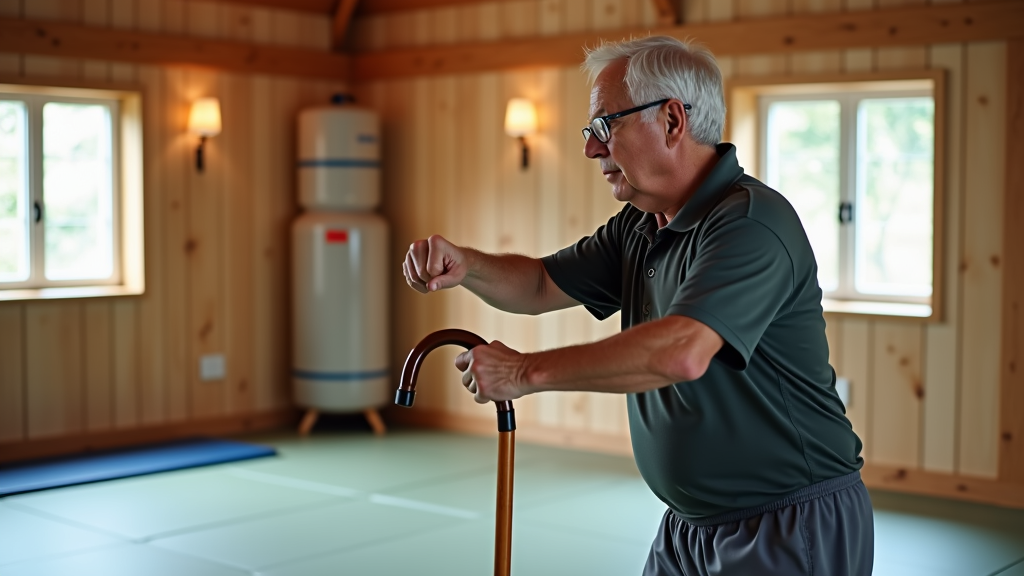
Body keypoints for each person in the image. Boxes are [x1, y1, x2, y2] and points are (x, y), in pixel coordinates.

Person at [402, 35, 873, 576]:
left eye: (606, 125)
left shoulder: (749, 224)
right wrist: (468, 264)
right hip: (688, 524)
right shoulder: (640, 225)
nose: (591, 148)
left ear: (672, 120)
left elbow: (681, 351)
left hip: (787, 521)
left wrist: (524, 372)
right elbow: (539, 284)